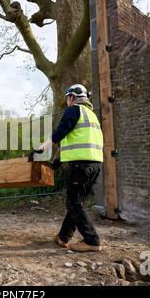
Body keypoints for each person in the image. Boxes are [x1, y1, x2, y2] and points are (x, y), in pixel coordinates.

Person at [39, 84, 104, 253]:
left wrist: (44, 146)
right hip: (95, 165)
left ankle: (92, 240)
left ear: (72, 97)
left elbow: (62, 131)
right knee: (76, 202)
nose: (67, 101)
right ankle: (63, 237)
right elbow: (77, 144)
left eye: (67, 98)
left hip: (80, 166)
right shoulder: (91, 115)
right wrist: (57, 163)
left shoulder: (74, 110)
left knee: (73, 202)